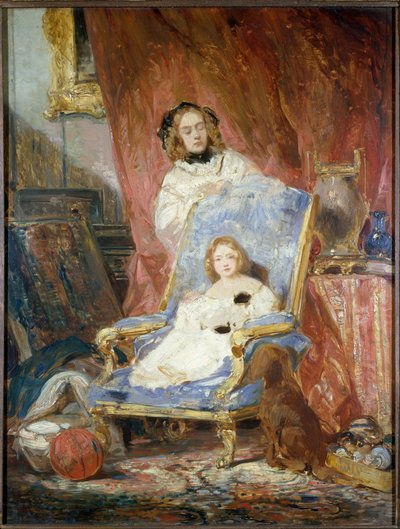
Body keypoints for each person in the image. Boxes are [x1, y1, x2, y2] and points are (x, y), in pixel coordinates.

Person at [128, 236, 280, 389]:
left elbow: (265, 314)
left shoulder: (253, 286)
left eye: (230, 257)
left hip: (233, 336)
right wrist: (191, 305)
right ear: (212, 263)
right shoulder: (212, 290)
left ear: (239, 258)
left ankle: (187, 374)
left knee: (210, 347)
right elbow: (201, 320)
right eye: (218, 259)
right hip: (210, 334)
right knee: (188, 341)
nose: (225, 263)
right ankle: (173, 371)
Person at [155, 102, 267, 254]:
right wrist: (201, 199)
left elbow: (263, 190)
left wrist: (234, 193)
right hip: (204, 253)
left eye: (200, 127)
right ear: (177, 137)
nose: (196, 135)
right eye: (187, 131)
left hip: (244, 245)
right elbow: (167, 226)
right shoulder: (175, 179)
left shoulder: (231, 160)